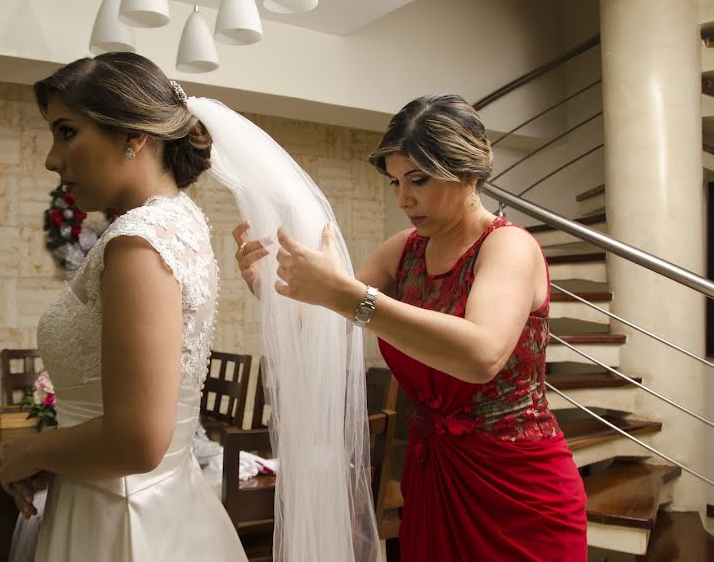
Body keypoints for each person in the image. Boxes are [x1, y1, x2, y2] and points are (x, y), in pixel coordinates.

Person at [233, 94, 588, 561]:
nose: (403, 199)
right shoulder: (406, 251)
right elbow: (325, 324)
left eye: (418, 180)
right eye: (397, 181)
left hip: (516, 491)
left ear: (467, 172)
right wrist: (270, 289)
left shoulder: (509, 247)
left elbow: (481, 355)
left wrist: (348, 296)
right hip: (433, 477)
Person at [0, 52, 246, 561]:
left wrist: (27, 452)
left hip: (121, 521)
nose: (51, 158)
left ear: (134, 136)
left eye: (66, 132)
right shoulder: (182, 222)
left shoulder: (138, 242)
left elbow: (136, 442)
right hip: (154, 502)